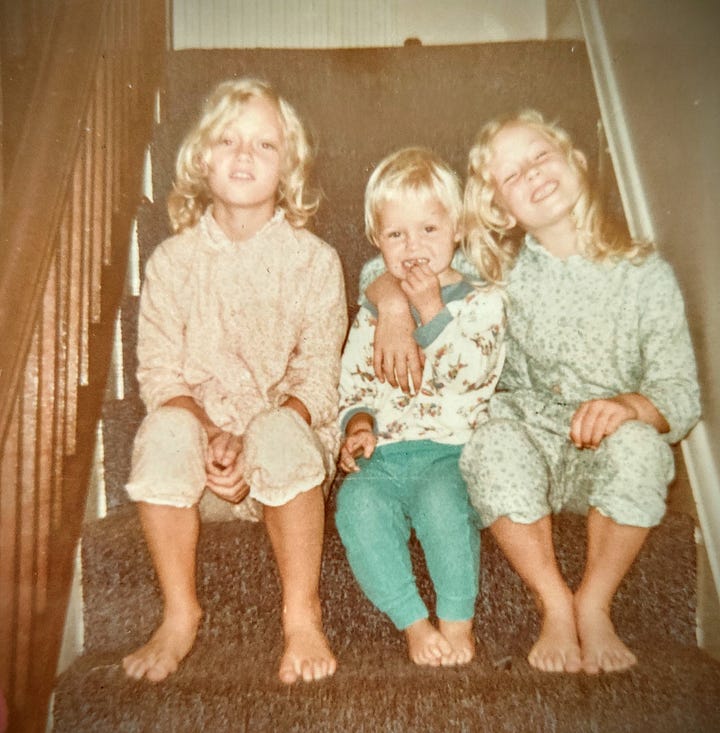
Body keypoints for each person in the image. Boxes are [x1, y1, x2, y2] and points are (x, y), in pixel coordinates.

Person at [361, 110, 700, 675]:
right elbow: (388, 261)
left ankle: (593, 601)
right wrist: (393, 305)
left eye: (540, 157)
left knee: (644, 449)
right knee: (489, 442)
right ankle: (554, 603)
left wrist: (628, 407)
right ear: (498, 207)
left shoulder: (646, 274)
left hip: (608, 446)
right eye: (512, 176)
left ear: (576, 160)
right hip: (528, 438)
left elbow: (680, 393)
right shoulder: (496, 264)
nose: (533, 176)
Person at [121, 78, 347, 685]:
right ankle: (179, 612)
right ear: (201, 158)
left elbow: (320, 377)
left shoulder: (315, 262)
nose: (245, 156)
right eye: (229, 140)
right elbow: (160, 374)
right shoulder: (171, 263)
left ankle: (301, 612)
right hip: (204, 471)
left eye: (265, 145)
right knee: (163, 428)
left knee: (279, 428)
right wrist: (212, 432)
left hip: (287, 463)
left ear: (290, 166)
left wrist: (254, 437)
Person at [335, 148, 505, 667]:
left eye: (429, 230)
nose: (413, 248)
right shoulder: (373, 310)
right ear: (376, 242)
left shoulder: (483, 301)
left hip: (448, 453)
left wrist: (431, 309)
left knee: (442, 510)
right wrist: (359, 423)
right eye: (396, 235)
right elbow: (355, 380)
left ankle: (456, 621)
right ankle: (411, 621)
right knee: (354, 507)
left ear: (457, 230)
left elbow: (471, 377)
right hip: (384, 455)